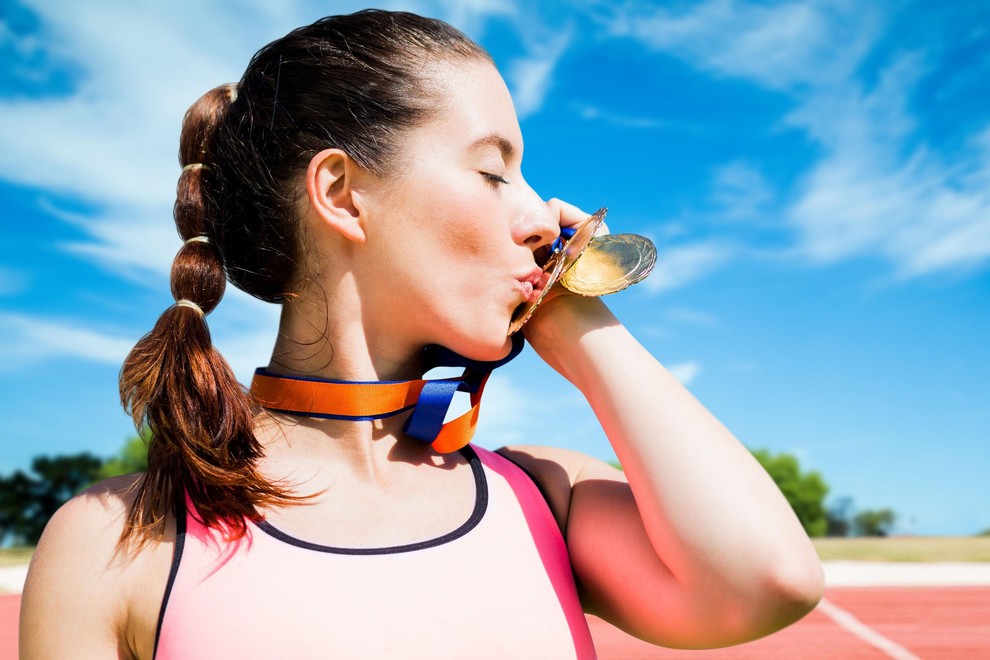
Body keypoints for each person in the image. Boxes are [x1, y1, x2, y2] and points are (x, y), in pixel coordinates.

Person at [20, 9, 823, 659]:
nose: (545, 214)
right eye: (493, 169)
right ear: (340, 192)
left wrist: (584, 327)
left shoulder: (547, 499)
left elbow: (768, 580)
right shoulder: (114, 541)